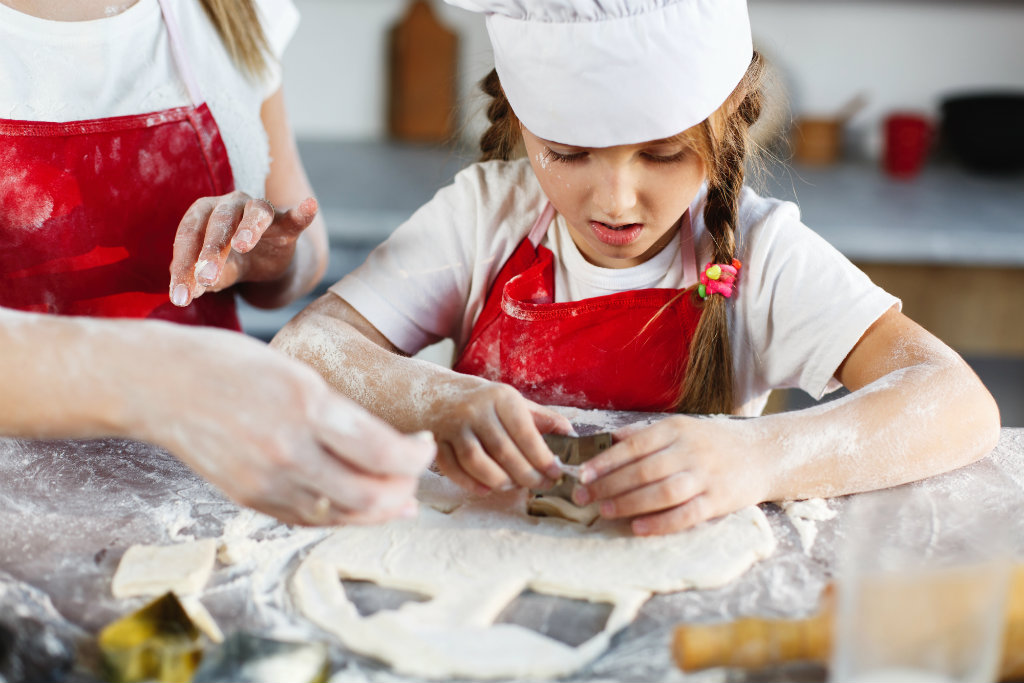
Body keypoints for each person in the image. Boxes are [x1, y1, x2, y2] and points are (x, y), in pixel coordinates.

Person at [272, 0, 1000, 536]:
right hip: (483, 558)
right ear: (517, 125)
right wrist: (435, 400)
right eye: (567, 153)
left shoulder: (761, 254)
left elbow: (957, 402)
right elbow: (307, 346)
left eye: (662, 154)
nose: (616, 201)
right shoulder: (484, 216)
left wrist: (757, 458)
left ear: (726, 128)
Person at [0, 0, 434, 525]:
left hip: (202, 495)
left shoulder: (232, 11)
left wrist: (268, 258)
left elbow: (304, 249)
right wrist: (170, 381)